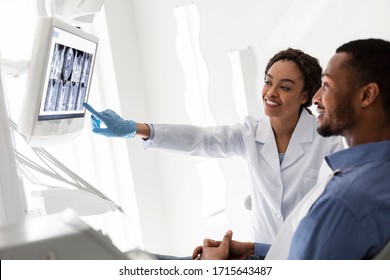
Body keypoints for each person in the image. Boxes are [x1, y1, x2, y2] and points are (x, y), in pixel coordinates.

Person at [83, 48, 344, 245]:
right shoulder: (251, 133)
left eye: (285, 87)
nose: (271, 92)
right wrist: (136, 128)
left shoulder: (330, 142)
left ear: (304, 96)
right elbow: (202, 139)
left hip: (310, 253)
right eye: (268, 81)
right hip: (264, 255)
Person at [193, 38, 390, 260]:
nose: (317, 98)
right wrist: (252, 249)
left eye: (326, 85)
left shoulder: (342, 201)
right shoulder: (378, 176)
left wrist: (214, 268)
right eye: (268, 82)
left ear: (366, 95)